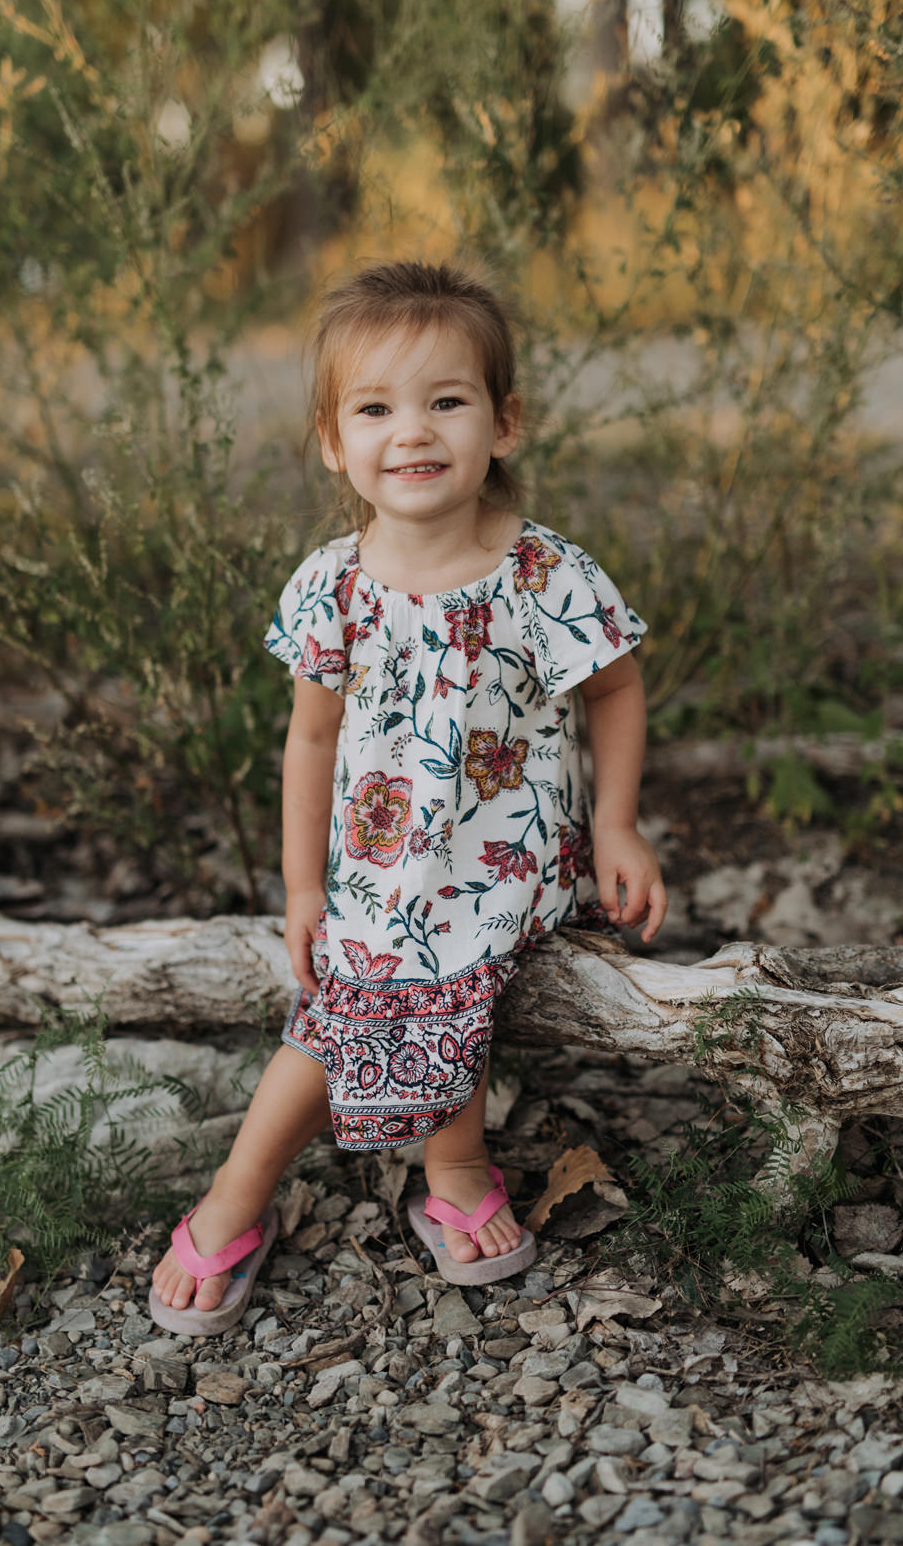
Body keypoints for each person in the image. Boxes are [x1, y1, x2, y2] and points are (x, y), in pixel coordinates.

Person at [150, 261, 666, 1332]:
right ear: (337, 443)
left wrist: (616, 821)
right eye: (376, 408)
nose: (413, 432)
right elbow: (309, 737)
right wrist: (303, 889)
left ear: (504, 421)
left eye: (447, 399)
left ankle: (454, 1166)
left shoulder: (542, 576)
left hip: (504, 863)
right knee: (335, 1022)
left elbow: (615, 688)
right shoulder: (333, 586)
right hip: (379, 882)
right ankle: (238, 1198)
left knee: (460, 994)